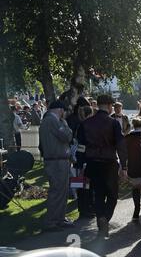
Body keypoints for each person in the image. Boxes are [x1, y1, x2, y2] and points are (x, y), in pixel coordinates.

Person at [77, 95, 128, 237]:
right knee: (112, 194)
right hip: (109, 162)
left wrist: (80, 163)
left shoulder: (86, 124)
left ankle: (100, 216)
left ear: (98, 105)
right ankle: (105, 217)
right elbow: (120, 146)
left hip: (92, 162)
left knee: (97, 193)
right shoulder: (113, 123)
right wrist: (124, 166)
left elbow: (80, 146)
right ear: (109, 106)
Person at [39, 101, 74, 231]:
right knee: (57, 191)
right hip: (56, 161)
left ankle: (59, 218)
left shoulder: (50, 121)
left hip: (59, 160)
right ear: (60, 110)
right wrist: (65, 124)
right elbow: (67, 136)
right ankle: (52, 221)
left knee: (62, 191)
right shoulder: (52, 121)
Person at [69, 97, 96, 219]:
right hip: (84, 160)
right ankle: (86, 209)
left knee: (81, 186)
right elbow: (83, 145)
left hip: (79, 160)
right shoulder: (85, 126)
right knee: (86, 187)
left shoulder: (79, 125)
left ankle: (84, 209)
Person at [125, 117, 141, 220]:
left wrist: (123, 167)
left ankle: (136, 210)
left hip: (133, 166)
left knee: (135, 188)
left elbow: (124, 153)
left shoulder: (127, 137)